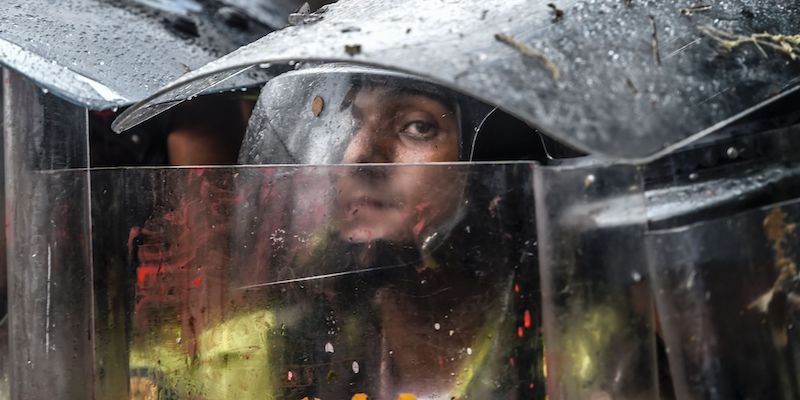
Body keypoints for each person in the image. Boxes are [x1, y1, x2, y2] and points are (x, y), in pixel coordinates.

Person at [228, 63, 546, 399]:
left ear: (498, 154)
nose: (357, 156)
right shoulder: (250, 350)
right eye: (353, 121)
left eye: (418, 127)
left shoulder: (572, 347)